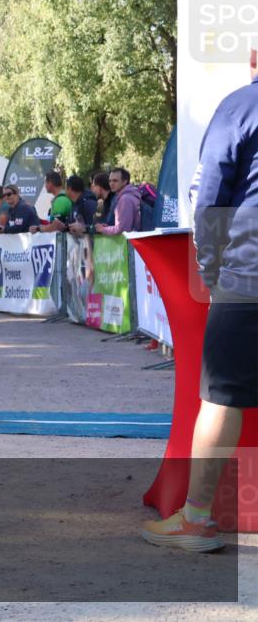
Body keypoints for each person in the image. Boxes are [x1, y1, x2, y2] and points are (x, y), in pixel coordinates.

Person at [141, 54, 258, 553]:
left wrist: (209, 269)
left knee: (220, 399)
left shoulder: (240, 106)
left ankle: (197, 520)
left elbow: (208, 196)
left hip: (248, 277)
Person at [95, 167, 141, 235]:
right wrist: (108, 227)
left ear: (125, 181)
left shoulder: (125, 199)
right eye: (110, 181)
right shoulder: (127, 195)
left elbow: (123, 229)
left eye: (115, 181)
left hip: (129, 243)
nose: (111, 184)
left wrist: (103, 229)